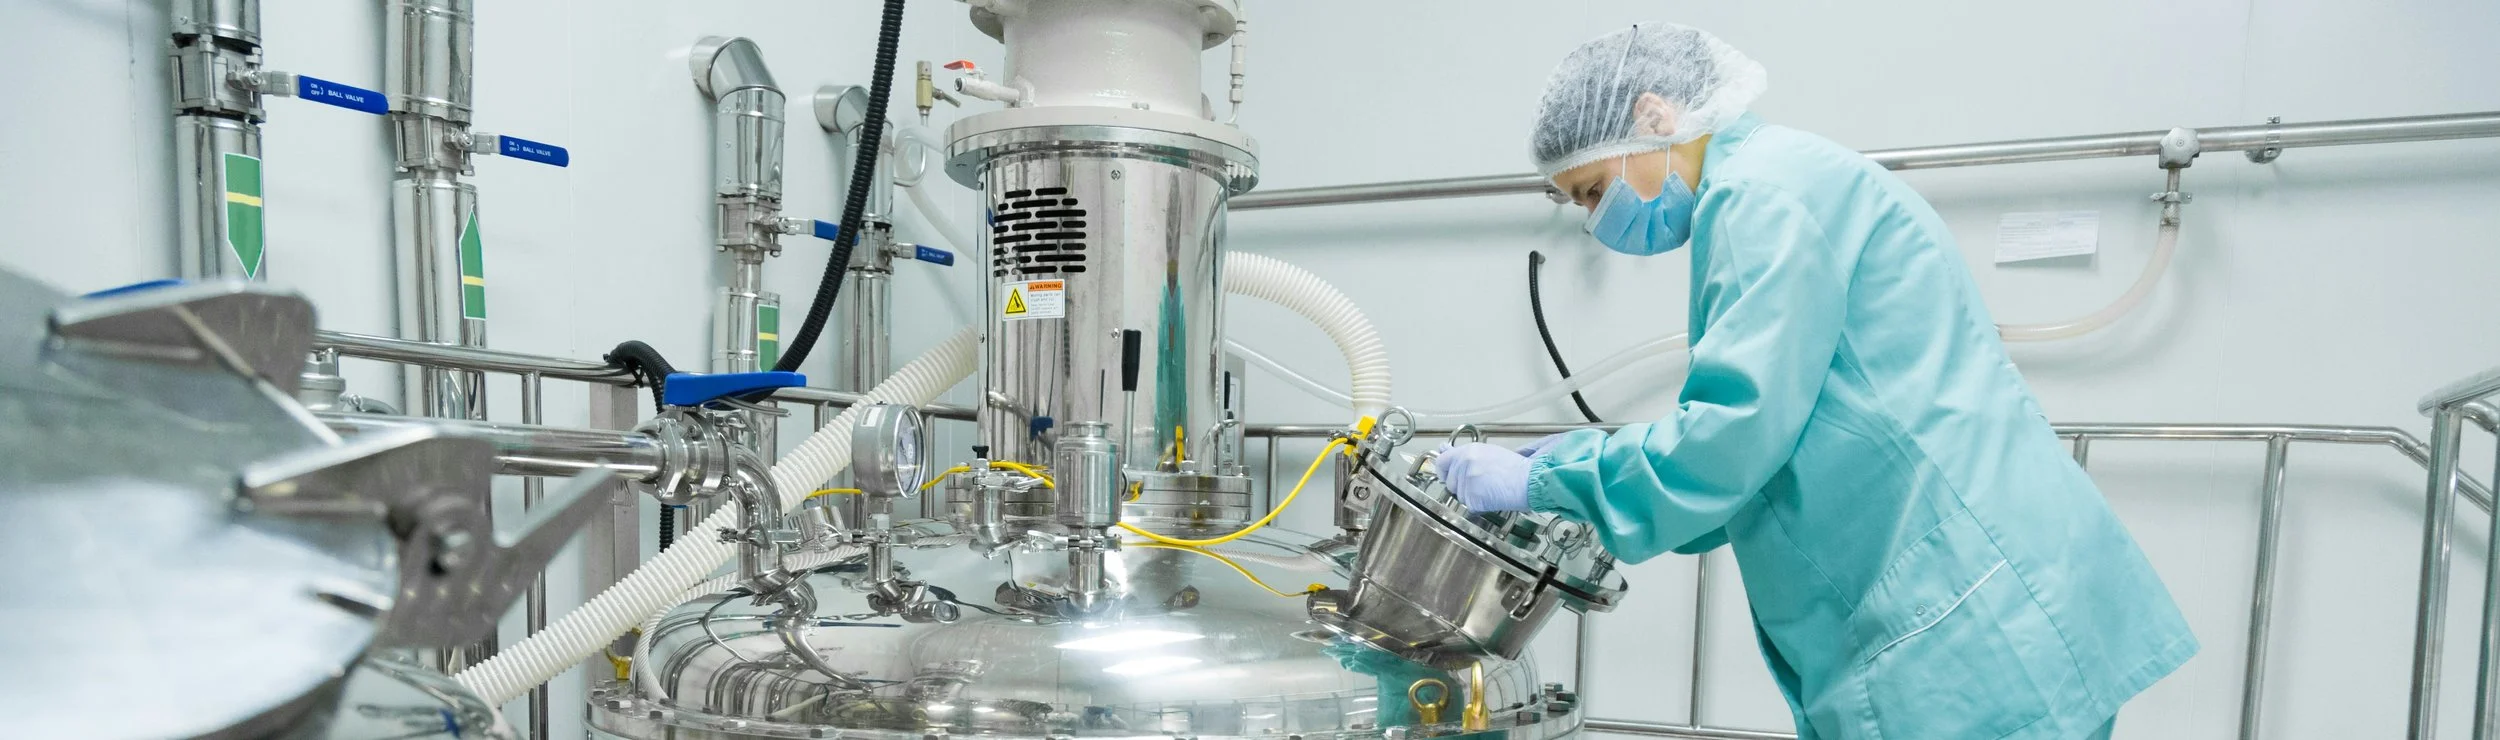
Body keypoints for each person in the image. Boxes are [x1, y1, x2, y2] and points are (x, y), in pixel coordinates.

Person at [1431, 24, 2197, 740]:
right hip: (1974, 591)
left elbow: (1731, 440)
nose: (1598, 220)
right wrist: (1586, 474)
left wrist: (1555, 479)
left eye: (1596, 190)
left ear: (1654, 116)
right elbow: (1752, 464)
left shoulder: (1760, 197)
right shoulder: (1781, 179)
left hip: (1966, 611)